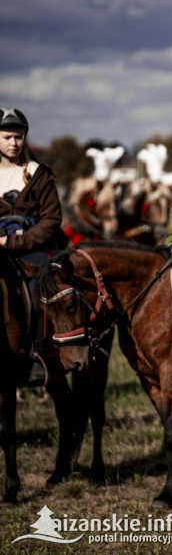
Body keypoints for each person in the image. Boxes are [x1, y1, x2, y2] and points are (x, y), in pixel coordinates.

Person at [0, 108, 65, 384]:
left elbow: (52, 221)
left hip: (31, 249)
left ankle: (38, 355)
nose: (13, 143)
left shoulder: (39, 174)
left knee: (37, 287)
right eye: (7, 137)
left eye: (18, 136)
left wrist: (14, 241)